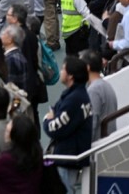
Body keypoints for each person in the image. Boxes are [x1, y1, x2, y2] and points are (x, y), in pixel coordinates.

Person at [43, 57, 93, 194]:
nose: (61, 71)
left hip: (67, 157)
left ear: (70, 76)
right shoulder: (76, 94)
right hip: (69, 155)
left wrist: (47, 120)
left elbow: (55, 127)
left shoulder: (74, 99)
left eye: (63, 69)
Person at [0, 114, 43, 194]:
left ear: (15, 136)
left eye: (7, 131)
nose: (5, 133)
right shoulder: (37, 157)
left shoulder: (6, 160)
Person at [80, 49, 118, 142]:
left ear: (87, 67)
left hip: (98, 143)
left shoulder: (94, 90)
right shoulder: (104, 84)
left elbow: (92, 123)